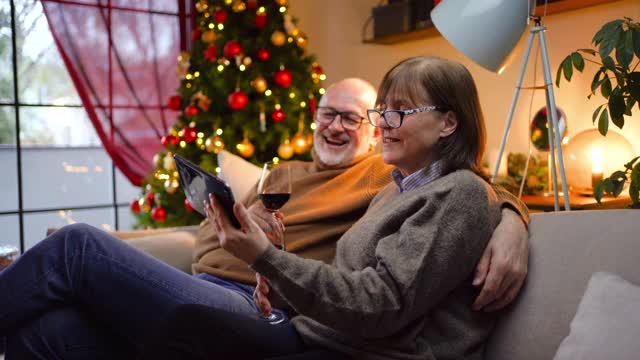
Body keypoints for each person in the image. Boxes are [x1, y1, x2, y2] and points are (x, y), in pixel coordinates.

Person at [0, 78, 526, 359]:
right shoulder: (283, 173)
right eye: (327, 113)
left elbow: (466, 180)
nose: (336, 126)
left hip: (256, 305)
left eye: (353, 117)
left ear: (375, 130)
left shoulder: (381, 173)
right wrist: (231, 217)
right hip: (198, 282)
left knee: (77, 247)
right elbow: (216, 238)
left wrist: (512, 218)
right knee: (49, 330)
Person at [137, 55, 515, 360]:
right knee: (179, 324)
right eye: (382, 111)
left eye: (398, 111)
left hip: (363, 349)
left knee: (172, 318)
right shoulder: (397, 189)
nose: (383, 122)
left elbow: (382, 301)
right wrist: (274, 278)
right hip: (319, 331)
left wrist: (266, 259)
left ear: (449, 122)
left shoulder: (451, 190)